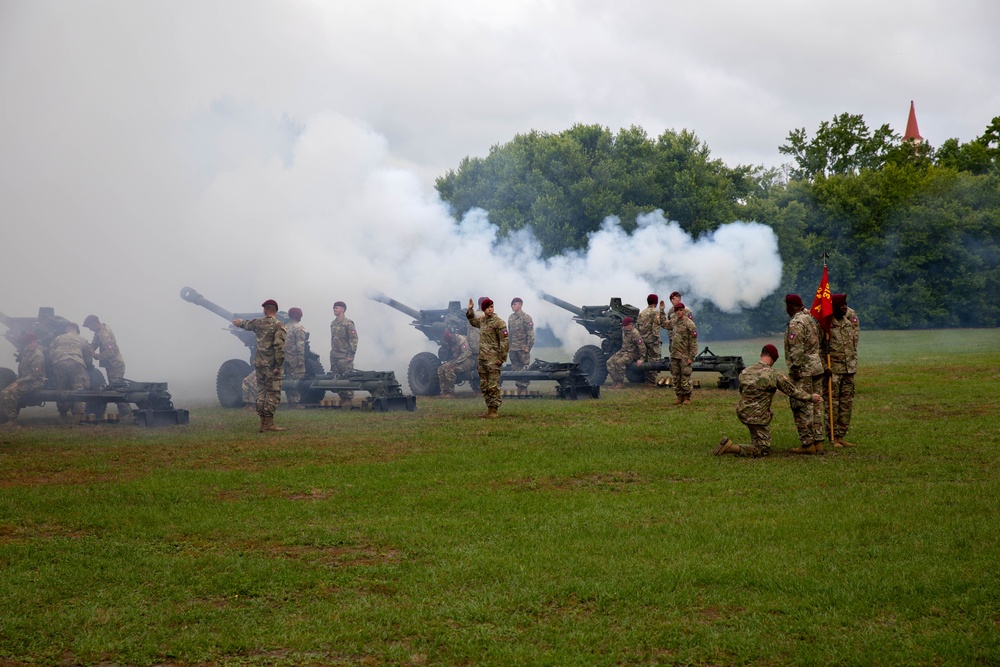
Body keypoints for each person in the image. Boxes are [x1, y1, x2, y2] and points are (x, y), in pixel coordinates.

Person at [714, 344, 822, 457]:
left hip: (742, 412)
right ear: (773, 359)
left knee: (756, 433)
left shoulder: (745, 371)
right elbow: (792, 391)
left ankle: (755, 440)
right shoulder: (773, 374)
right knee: (762, 450)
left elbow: (743, 392)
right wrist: (811, 397)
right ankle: (731, 447)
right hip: (758, 417)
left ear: (761, 355)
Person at [233, 299, 287, 432]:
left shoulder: (258, 323)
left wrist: (238, 322)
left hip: (259, 364)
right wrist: (279, 365)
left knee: (262, 392)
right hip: (271, 365)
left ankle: (263, 422)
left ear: (265, 310)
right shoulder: (278, 325)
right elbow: (279, 347)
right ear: (275, 311)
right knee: (273, 393)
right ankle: (269, 423)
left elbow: (245, 324)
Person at [783, 293, 826, 454]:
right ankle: (818, 441)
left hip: (803, 370)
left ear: (789, 306)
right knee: (815, 406)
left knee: (801, 405)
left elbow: (797, 349)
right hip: (816, 368)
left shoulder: (796, 322)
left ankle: (807, 444)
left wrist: (794, 370)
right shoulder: (809, 318)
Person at [823, 293, 860, 448]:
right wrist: (825, 367)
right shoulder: (826, 325)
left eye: (846, 304)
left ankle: (841, 435)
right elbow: (820, 348)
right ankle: (832, 437)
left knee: (846, 404)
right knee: (833, 404)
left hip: (848, 370)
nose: (845, 307)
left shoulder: (847, 322)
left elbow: (853, 345)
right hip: (834, 370)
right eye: (842, 305)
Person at [466, 297, 509, 418]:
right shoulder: (483, 320)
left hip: (494, 359)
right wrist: (470, 310)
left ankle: (495, 410)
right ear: (483, 309)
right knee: (484, 385)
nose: (490, 309)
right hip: (482, 359)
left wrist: (502, 358)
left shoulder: (499, 322)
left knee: (493, 385)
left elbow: (505, 342)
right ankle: (489, 409)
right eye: (488, 307)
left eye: (492, 307)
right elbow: (473, 322)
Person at [82, 314, 130, 418]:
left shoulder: (105, 335)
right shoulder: (98, 332)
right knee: (116, 388)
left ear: (95, 324)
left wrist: (96, 356)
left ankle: (126, 414)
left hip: (115, 366)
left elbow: (110, 352)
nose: (90, 329)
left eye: (90, 327)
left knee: (118, 390)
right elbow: (94, 344)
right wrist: (89, 349)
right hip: (111, 365)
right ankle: (125, 414)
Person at [49, 322, 94, 424]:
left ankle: (63, 416)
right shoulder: (82, 339)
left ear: (67, 329)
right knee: (79, 390)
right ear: (77, 330)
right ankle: (77, 417)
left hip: (59, 363)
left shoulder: (58, 338)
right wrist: (88, 365)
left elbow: (51, 354)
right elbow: (88, 357)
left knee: (61, 389)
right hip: (76, 363)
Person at [0, 333, 47, 428]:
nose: (32, 345)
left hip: (35, 381)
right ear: (26, 344)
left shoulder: (38, 355)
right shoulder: (26, 352)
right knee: (4, 392)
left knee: (11, 393)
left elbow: (34, 374)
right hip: (25, 380)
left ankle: (13, 420)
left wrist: (17, 382)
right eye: (29, 343)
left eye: (33, 342)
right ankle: (10, 418)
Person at [668, 302, 698, 405]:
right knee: (676, 377)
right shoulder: (674, 322)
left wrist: (691, 357)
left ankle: (687, 397)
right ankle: (679, 397)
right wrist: (662, 311)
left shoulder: (689, 324)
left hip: (685, 356)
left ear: (684, 311)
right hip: (675, 355)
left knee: (685, 377)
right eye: (677, 310)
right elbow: (664, 324)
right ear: (675, 312)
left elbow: (693, 342)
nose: (679, 312)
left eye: (681, 310)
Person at [329, 300, 358, 405]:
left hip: (344, 356)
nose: (334, 309)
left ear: (342, 309)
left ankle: (348, 399)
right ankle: (342, 397)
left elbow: (353, 340)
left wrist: (351, 355)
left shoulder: (348, 323)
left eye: (336, 307)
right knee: (337, 377)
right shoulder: (333, 323)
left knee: (346, 377)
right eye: (334, 307)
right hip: (334, 355)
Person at [637, 293, 668, 385]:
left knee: (645, 360)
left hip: (643, 340)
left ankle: (647, 380)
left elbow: (638, 327)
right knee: (654, 361)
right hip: (652, 340)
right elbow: (656, 326)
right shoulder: (655, 312)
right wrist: (656, 339)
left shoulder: (642, 313)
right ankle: (651, 382)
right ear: (656, 302)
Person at [606, 317, 645, 389]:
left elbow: (641, 346)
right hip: (623, 351)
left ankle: (620, 383)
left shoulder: (635, 333)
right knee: (609, 362)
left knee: (619, 362)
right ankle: (616, 381)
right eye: (628, 325)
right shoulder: (623, 330)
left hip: (632, 353)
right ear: (624, 326)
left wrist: (641, 358)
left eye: (631, 324)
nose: (630, 326)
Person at [507, 297, 535, 395]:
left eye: (514, 304)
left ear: (520, 305)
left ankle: (524, 388)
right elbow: (509, 333)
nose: (512, 306)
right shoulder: (511, 317)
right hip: (513, 348)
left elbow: (530, 334)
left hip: (523, 348)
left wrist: (528, 346)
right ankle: (519, 386)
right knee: (516, 368)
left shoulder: (526, 317)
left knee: (524, 368)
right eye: (512, 305)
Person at [436, 328, 475, 398]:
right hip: (456, 360)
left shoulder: (461, 339)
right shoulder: (450, 341)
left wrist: (455, 363)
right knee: (440, 369)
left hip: (467, 361)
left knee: (449, 369)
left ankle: (450, 393)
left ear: (452, 335)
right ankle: (444, 392)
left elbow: (467, 353)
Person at [284, 307, 307, 408]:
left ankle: (290, 401)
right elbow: (300, 344)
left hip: (286, 357)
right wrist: (301, 358)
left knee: (288, 379)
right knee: (297, 379)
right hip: (295, 358)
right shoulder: (299, 328)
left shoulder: (285, 327)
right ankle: (295, 403)